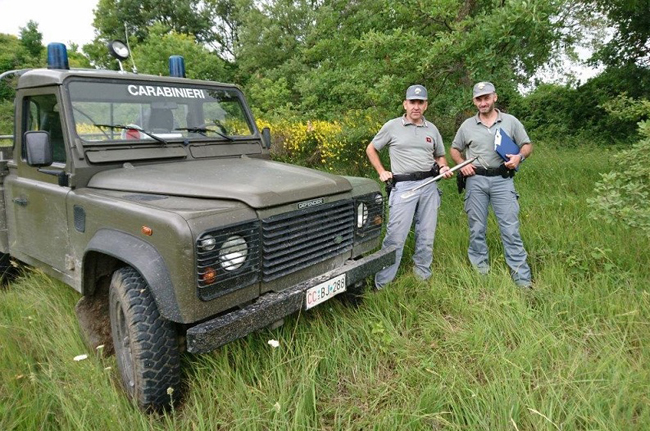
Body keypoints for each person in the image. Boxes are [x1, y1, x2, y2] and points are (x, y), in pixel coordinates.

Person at [366, 84, 453, 289]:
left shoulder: (432, 129)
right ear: (405, 104)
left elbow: (439, 155)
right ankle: (382, 284)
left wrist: (443, 167)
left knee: (426, 234)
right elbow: (371, 149)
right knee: (395, 236)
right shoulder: (392, 126)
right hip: (403, 187)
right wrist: (381, 171)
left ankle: (422, 277)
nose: (416, 106)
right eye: (412, 102)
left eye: (420, 102)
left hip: (429, 185)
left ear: (426, 105)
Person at [450, 81, 533, 288]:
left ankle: (522, 278)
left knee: (510, 229)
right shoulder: (467, 126)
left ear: (494, 97)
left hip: (502, 180)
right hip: (476, 181)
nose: (483, 102)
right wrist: (461, 165)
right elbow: (454, 149)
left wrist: (518, 158)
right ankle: (481, 275)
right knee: (477, 228)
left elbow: (527, 145)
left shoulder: (510, 121)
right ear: (474, 101)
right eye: (479, 99)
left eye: (487, 97)